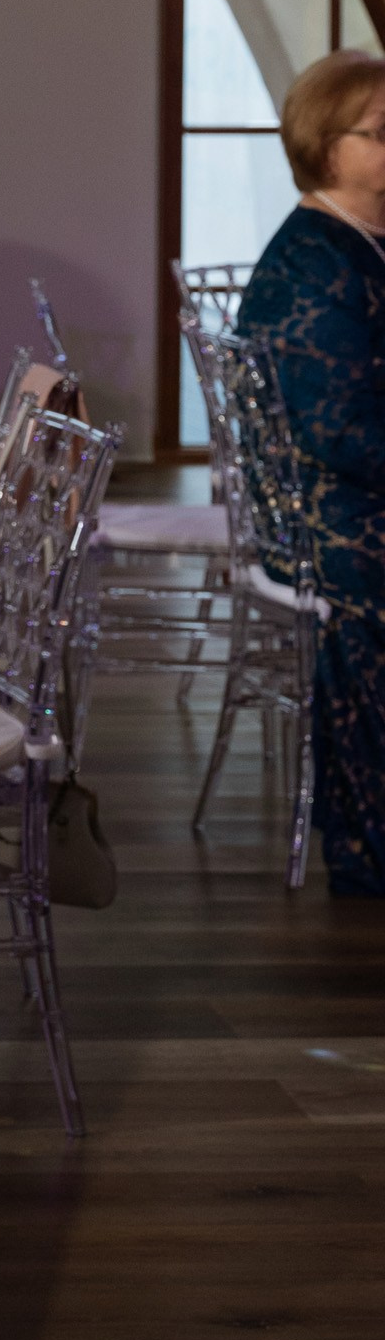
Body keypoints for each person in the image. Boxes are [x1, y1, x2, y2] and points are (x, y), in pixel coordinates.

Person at [239, 48, 385, 896]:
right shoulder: (312, 264)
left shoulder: (358, 242)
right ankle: (367, 841)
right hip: (325, 519)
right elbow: (342, 433)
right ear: (327, 148)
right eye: (382, 132)